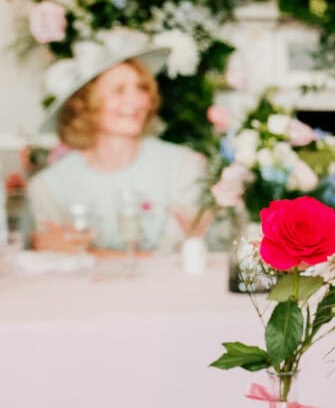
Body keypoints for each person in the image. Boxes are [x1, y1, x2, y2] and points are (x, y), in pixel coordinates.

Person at [28, 41, 206, 254]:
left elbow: (174, 257)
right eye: (119, 91)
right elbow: (54, 263)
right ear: (85, 105)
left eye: (142, 88)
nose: (138, 100)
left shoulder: (183, 166)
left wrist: (92, 255)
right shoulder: (48, 186)